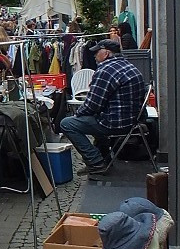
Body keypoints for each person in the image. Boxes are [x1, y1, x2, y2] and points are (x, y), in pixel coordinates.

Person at [60, 40, 147, 176]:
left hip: (115, 123)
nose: (94, 56)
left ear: (106, 53)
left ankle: (96, 162)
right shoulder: (129, 66)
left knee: (67, 124)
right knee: (93, 118)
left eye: (96, 52)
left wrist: (78, 114)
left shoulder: (106, 70)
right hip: (132, 120)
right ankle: (104, 157)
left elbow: (92, 105)